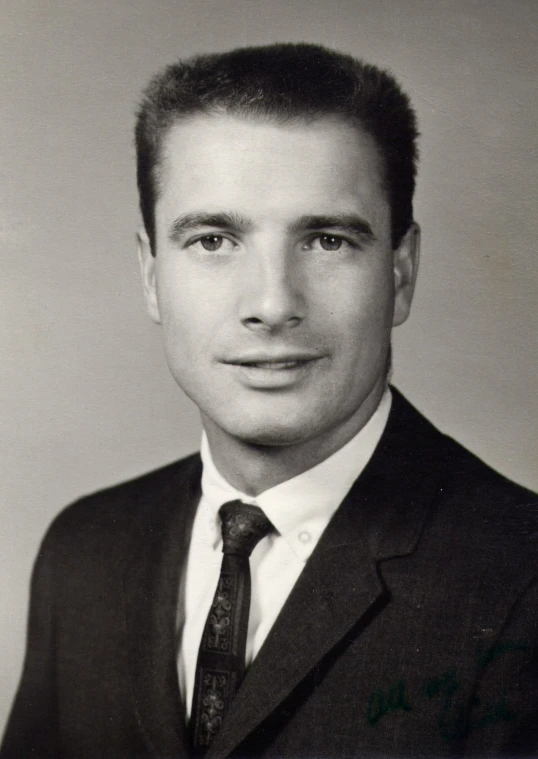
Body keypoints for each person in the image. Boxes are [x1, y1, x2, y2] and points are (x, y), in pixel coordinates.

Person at [2, 42, 537, 759]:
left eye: (326, 239)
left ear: (401, 274)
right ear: (151, 275)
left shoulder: (520, 577)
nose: (272, 303)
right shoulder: (84, 551)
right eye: (215, 238)